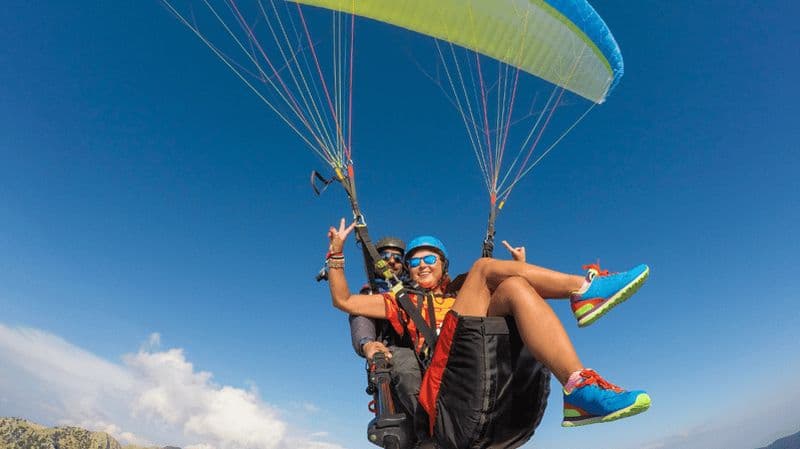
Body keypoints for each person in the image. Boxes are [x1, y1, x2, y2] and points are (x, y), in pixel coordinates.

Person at [324, 219, 651, 447]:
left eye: (430, 258)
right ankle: (583, 289)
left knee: (514, 287)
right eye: (414, 261)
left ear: (443, 265)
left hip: (473, 371)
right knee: (482, 268)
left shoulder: (457, 297)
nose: (422, 265)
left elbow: (510, 304)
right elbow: (343, 301)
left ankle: (578, 388)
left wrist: (523, 269)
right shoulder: (400, 301)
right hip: (442, 388)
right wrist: (336, 254)